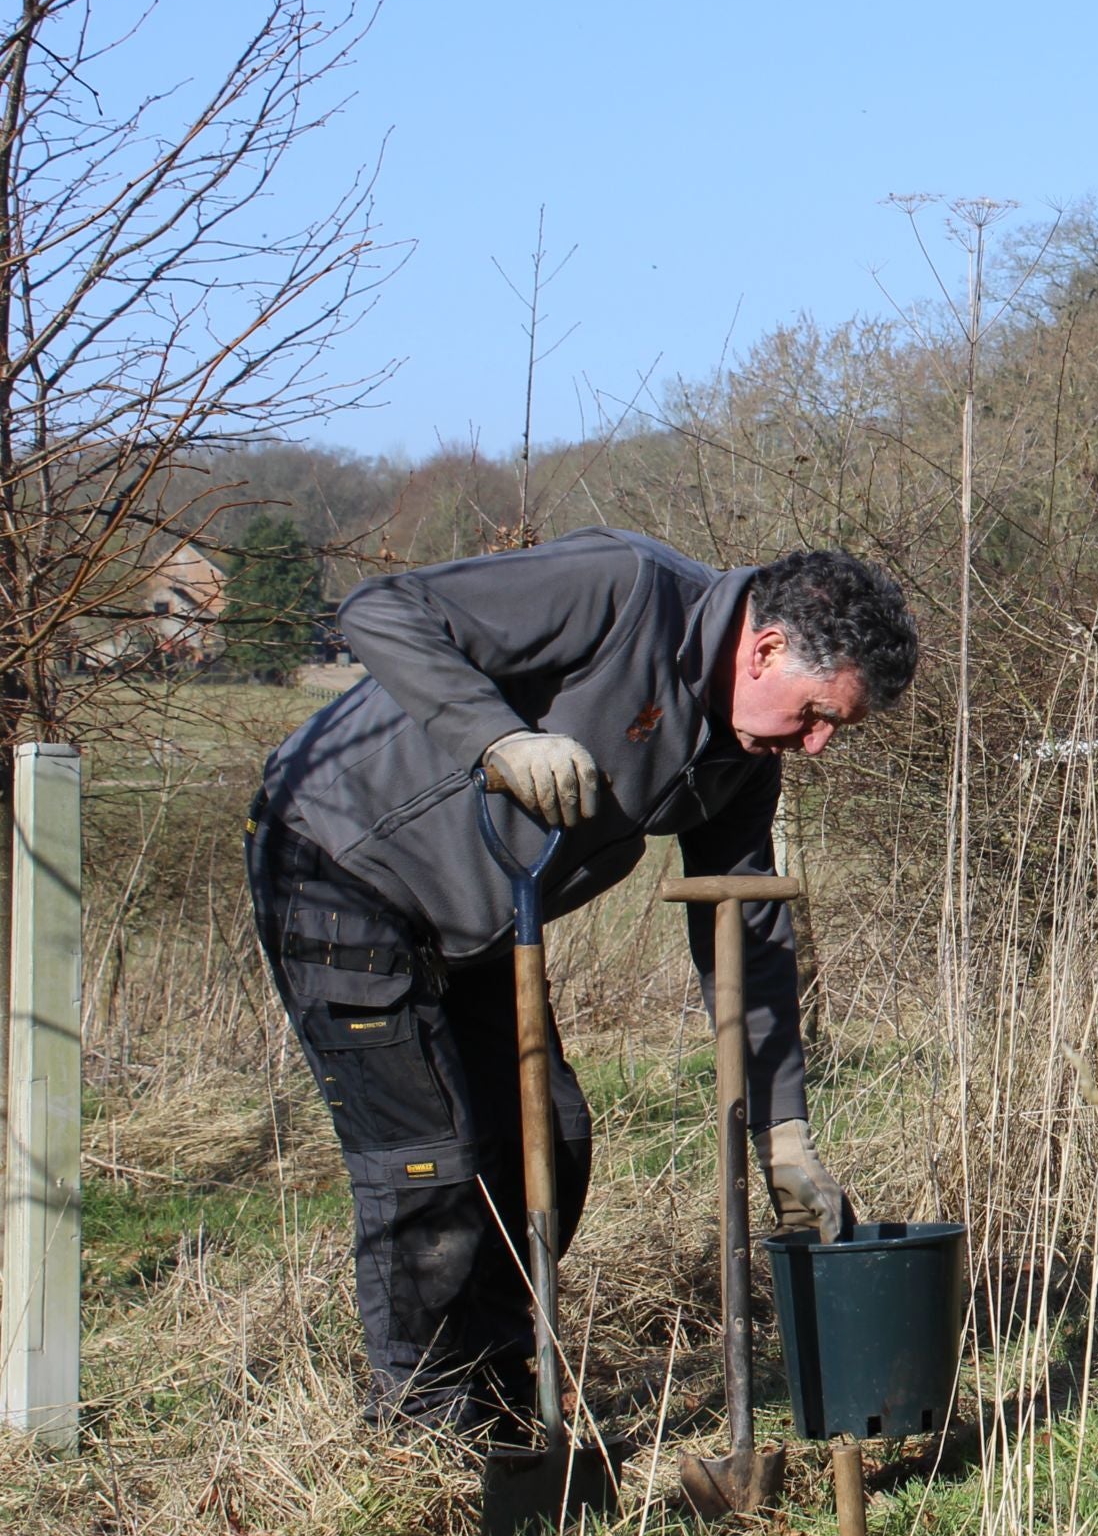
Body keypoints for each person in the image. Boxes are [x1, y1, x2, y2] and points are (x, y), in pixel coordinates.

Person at [245, 528, 919, 1439]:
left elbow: (745, 933)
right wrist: (500, 738)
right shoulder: (622, 590)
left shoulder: (741, 753)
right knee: (430, 1164)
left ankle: (498, 1386)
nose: (821, 744)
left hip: (481, 924)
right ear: (764, 650)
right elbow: (380, 611)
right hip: (337, 865)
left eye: (836, 726)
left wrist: (783, 1129)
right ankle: (422, 1421)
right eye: (816, 715)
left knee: (549, 1142)